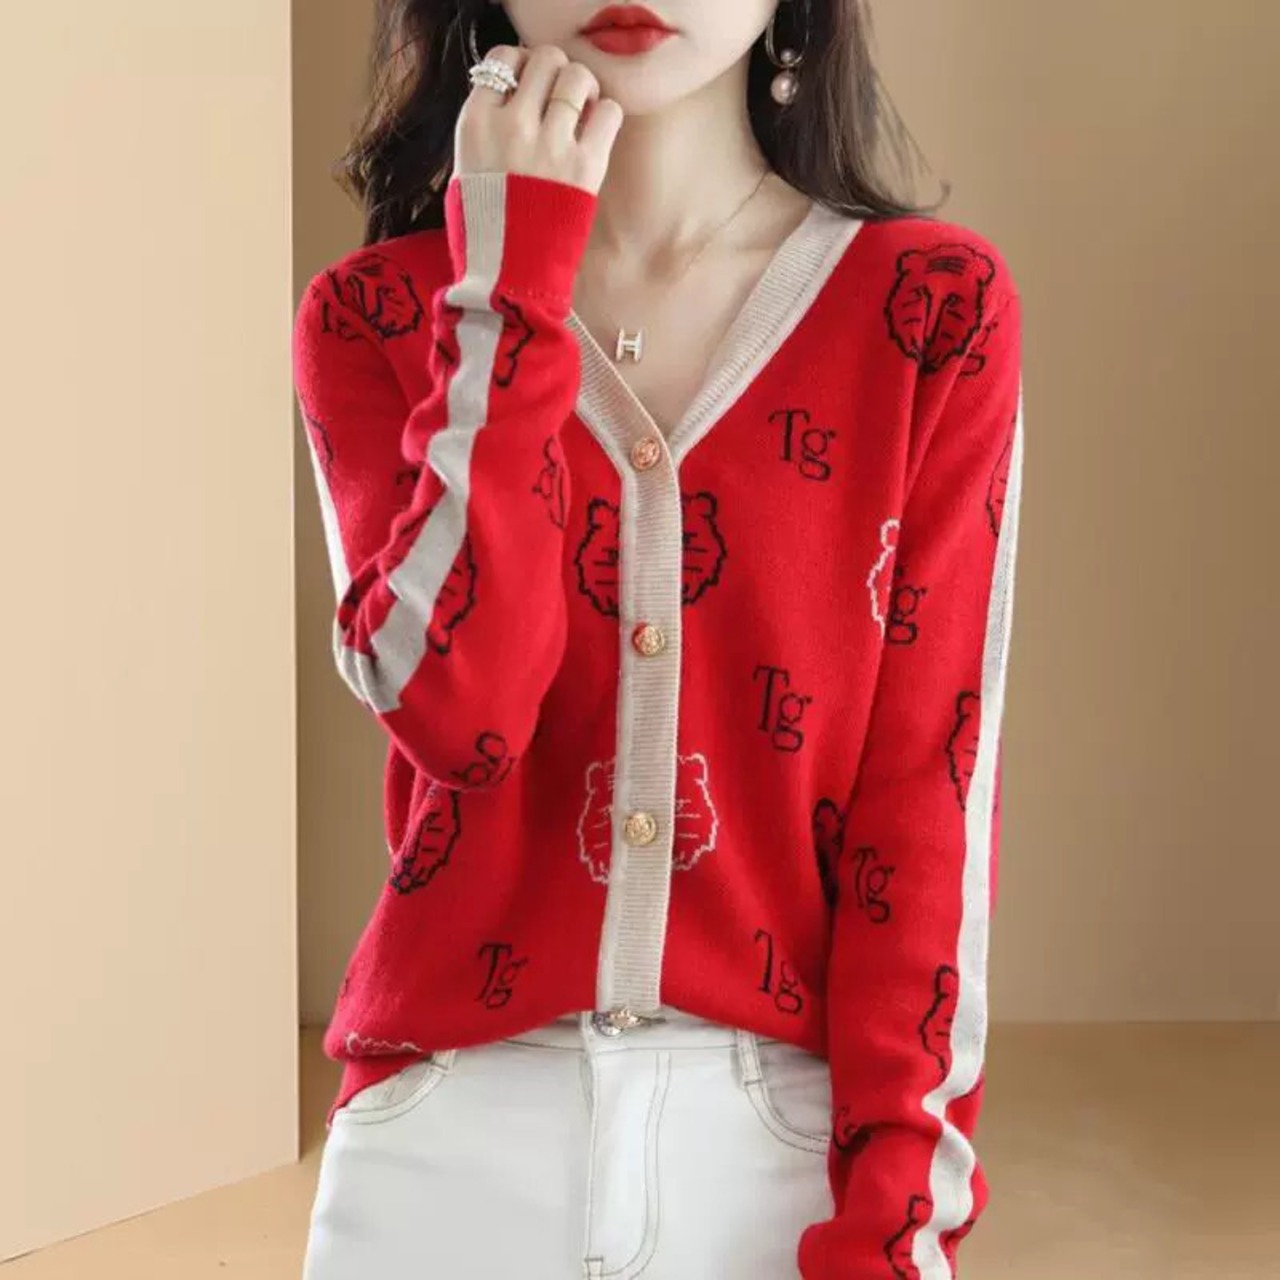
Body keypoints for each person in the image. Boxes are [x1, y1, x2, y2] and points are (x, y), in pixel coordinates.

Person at [292, 0, 1025, 1275]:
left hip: (782, 1146)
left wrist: (893, 1229)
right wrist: (508, 291)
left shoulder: (927, 311)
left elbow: (926, 807)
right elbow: (457, 712)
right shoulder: (379, 318)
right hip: (441, 1143)